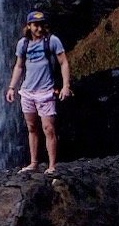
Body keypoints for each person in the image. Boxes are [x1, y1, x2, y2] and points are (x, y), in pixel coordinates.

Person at [5, 9, 71, 175]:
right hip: (27, 92)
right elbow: (19, 66)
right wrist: (12, 87)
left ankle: (52, 165)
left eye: (42, 25)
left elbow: (63, 62)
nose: (39, 29)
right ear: (29, 26)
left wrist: (66, 86)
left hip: (46, 92)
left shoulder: (52, 41)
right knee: (32, 127)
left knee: (48, 128)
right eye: (36, 25)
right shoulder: (23, 44)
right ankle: (33, 163)